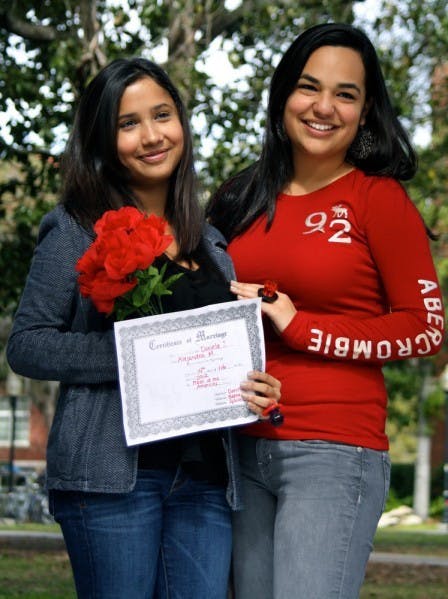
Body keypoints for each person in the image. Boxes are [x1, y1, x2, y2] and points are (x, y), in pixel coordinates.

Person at [6, 57, 281, 599]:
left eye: (162, 115)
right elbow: (28, 344)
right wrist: (137, 357)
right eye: (128, 124)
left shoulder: (215, 245)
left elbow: (222, 357)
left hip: (204, 481)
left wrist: (259, 390)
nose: (152, 136)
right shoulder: (75, 229)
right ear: (104, 141)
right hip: (111, 478)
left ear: (182, 122)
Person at [206, 23, 445, 599]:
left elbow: (426, 328)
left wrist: (300, 325)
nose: (323, 107)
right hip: (238, 445)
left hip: (333, 450)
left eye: (346, 94)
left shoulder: (377, 200)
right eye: (309, 87)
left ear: (366, 113)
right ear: (284, 94)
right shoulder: (238, 197)